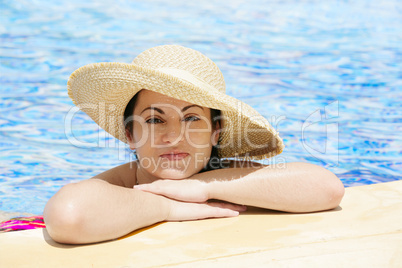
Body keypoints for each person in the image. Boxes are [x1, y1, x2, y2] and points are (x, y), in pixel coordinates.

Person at [44, 45, 344, 244]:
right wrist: (167, 206)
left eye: (191, 119)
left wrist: (204, 187)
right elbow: (68, 216)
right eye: (154, 120)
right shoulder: (119, 187)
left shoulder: (230, 175)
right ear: (130, 135)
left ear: (216, 132)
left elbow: (326, 187)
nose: (173, 137)